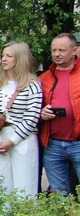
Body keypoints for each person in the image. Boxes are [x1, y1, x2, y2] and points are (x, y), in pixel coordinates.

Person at [0, 41, 42, 198]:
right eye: (2, 56)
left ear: (20, 59)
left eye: (9, 56)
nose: (4, 59)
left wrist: (12, 141)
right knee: (0, 185)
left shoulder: (32, 85)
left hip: (23, 139)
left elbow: (32, 116)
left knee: (24, 185)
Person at [39, 33, 80, 195]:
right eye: (54, 50)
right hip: (53, 144)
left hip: (78, 142)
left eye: (61, 50)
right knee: (59, 193)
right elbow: (32, 108)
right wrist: (42, 112)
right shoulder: (44, 78)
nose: (56, 54)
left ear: (74, 50)